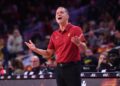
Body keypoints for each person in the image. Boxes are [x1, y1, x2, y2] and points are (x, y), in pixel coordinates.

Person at [25, 6, 86, 86]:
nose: (59, 14)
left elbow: (84, 49)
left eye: (61, 12)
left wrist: (79, 44)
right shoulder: (54, 34)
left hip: (72, 67)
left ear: (67, 16)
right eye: (57, 13)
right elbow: (48, 54)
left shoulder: (75, 29)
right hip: (59, 69)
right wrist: (35, 49)